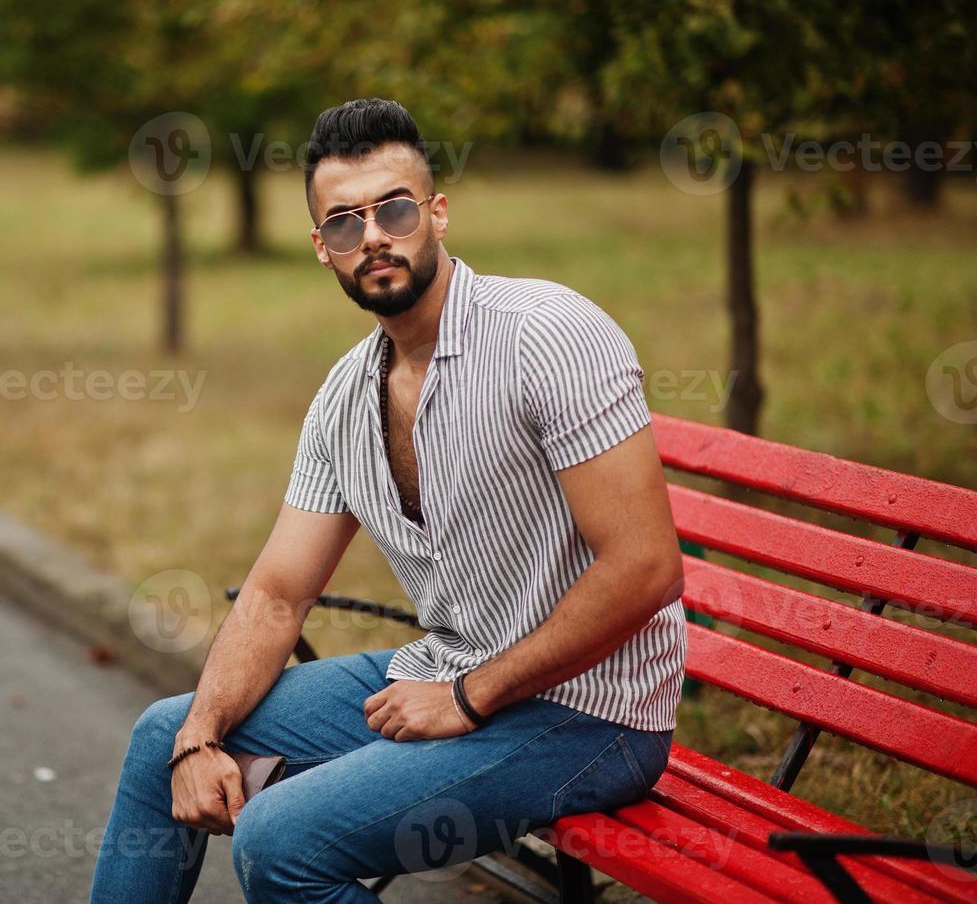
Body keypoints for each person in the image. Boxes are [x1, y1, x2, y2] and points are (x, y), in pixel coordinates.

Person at [89, 97, 687, 903]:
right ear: (320, 249)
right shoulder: (344, 396)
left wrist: (468, 698)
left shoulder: (545, 336)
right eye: (343, 223)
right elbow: (274, 593)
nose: (371, 235)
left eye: (393, 209)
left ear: (436, 213)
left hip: (590, 713)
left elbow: (646, 566)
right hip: (450, 667)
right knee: (165, 733)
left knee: (279, 839)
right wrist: (201, 739)